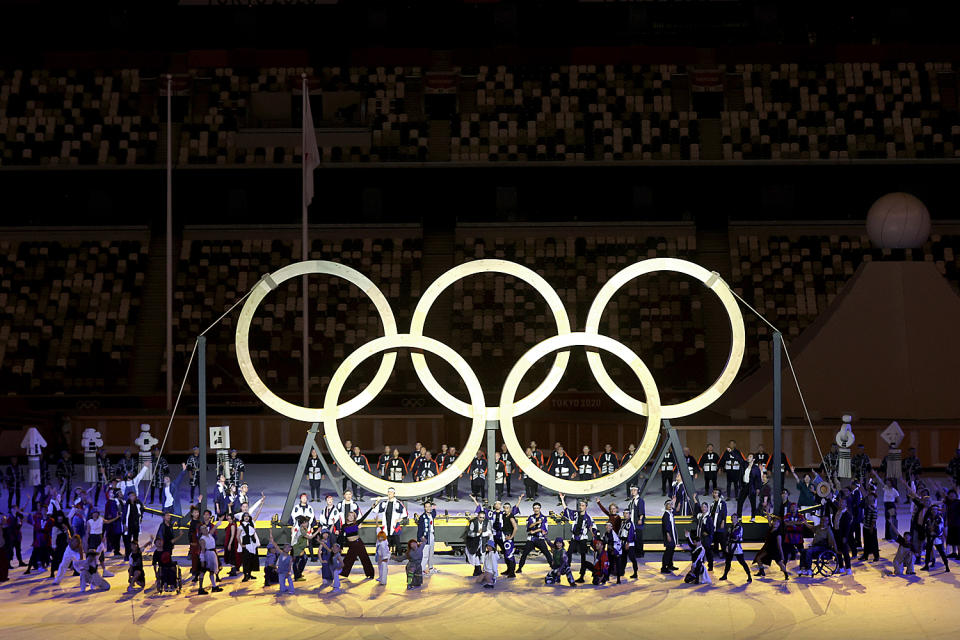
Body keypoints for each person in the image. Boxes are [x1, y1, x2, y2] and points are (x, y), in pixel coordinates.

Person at [559, 492, 595, 582]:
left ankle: (582, 576)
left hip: (583, 539)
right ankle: (567, 568)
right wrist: (562, 499)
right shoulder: (575, 514)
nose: (580, 507)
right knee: (569, 553)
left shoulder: (588, 517)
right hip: (574, 537)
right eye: (580, 505)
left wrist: (594, 536)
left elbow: (591, 527)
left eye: (582, 505)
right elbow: (566, 509)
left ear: (586, 506)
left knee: (583, 557)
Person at [340, 500, 378, 579]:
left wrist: (372, 507)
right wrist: (340, 547)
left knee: (364, 558)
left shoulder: (356, 523)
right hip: (351, 545)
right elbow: (342, 535)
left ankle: (370, 574)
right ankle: (343, 573)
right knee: (348, 559)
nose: (350, 517)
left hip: (358, 543)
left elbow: (364, 516)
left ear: (354, 517)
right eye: (349, 515)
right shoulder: (344, 526)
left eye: (352, 516)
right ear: (347, 516)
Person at [719, 513, 751, 582]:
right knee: (728, 562)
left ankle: (749, 576)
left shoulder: (739, 527)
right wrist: (727, 544)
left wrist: (730, 535)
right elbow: (728, 536)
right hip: (730, 546)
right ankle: (725, 575)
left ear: (737, 519)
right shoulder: (730, 527)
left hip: (737, 547)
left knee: (742, 562)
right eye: (732, 517)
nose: (733, 519)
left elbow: (735, 535)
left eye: (734, 517)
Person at [921, 503, 951, 573]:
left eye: (935, 509)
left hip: (936, 537)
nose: (934, 511)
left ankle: (946, 565)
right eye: (932, 509)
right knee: (928, 552)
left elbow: (940, 528)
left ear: (938, 510)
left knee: (941, 552)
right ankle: (926, 565)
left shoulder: (939, 518)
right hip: (929, 536)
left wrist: (934, 532)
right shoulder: (928, 518)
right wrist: (928, 531)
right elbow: (926, 526)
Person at [197, 523, 223, 594]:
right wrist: (202, 560)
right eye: (203, 528)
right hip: (207, 555)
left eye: (205, 528)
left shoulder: (209, 535)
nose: (205, 529)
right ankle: (200, 588)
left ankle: (214, 586)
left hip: (212, 554)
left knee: (212, 571)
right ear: (201, 531)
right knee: (203, 572)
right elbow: (202, 550)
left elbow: (214, 528)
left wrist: (219, 521)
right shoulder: (202, 539)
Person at [464, 508, 491, 576]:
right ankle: (477, 569)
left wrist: (484, 534)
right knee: (475, 555)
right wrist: (477, 534)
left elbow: (489, 532)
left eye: (483, 517)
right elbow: (470, 533)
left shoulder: (487, 522)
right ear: (478, 516)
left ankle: (481, 569)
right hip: (474, 541)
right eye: (480, 517)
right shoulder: (473, 522)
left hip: (483, 541)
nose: (482, 519)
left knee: (483, 555)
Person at [737, 453, 762, 521]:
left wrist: (758, 488)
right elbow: (739, 458)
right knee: (740, 501)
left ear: (753, 459)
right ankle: (739, 517)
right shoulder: (744, 464)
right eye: (748, 456)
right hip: (744, 486)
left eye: (750, 456)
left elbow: (758, 479)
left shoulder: (756, 468)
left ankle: (753, 517)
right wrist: (732, 451)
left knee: (753, 503)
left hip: (752, 487)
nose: (748, 457)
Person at [625, 484, 646, 560]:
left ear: (638, 491)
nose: (633, 492)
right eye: (632, 490)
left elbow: (641, 511)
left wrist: (640, 519)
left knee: (638, 538)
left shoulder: (640, 500)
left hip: (637, 523)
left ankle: (640, 552)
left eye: (634, 490)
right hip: (632, 523)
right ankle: (634, 552)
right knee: (633, 538)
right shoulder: (631, 501)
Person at [693, 500, 715, 571]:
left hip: (706, 539)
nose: (703, 508)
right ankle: (700, 564)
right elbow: (696, 512)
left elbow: (712, 528)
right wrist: (695, 502)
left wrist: (708, 534)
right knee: (700, 552)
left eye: (705, 507)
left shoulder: (708, 518)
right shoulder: (700, 516)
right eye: (702, 507)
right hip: (700, 538)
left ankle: (710, 565)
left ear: (707, 508)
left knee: (708, 552)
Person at [238, 511, 260, 582]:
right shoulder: (241, 526)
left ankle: (250, 574)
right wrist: (241, 545)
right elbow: (237, 536)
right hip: (246, 545)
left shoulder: (251, 524)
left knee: (251, 560)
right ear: (243, 518)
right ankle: (245, 575)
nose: (246, 517)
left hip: (252, 544)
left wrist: (261, 505)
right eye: (245, 516)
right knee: (245, 561)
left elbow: (257, 515)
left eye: (247, 516)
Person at [417, 500, 438, 575]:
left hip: (431, 535)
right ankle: (422, 570)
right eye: (427, 507)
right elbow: (419, 529)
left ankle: (431, 568)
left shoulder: (431, 514)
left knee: (431, 553)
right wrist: (419, 539)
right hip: (425, 537)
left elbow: (434, 514)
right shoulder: (422, 517)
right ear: (424, 508)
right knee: (425, 554)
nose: (428, 508)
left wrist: (434, 508)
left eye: (429, 506)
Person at [661, 499, 677, 574]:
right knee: (668, 551)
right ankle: (664, 567)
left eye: (671, 504)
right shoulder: (666, 515)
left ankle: (670, 565)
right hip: (669, 535)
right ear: (665, 506)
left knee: (671, 550)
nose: (670, 505)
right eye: (668, 504)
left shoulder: (671, 513)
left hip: (672, 535)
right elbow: (666, 526)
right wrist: (668, 535)